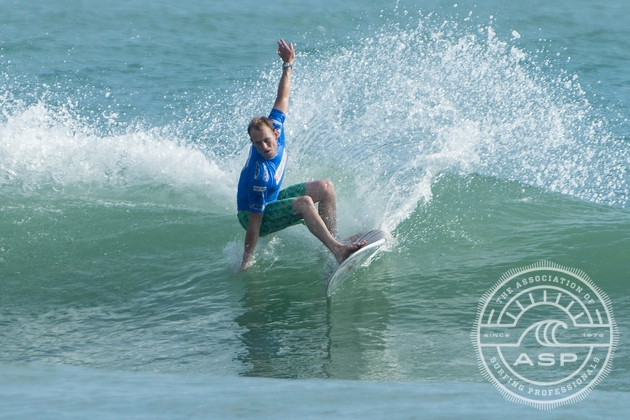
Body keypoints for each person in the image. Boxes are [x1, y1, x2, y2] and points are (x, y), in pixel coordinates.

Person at [236, 39, 365, 272]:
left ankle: (333, 239)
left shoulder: (276, 125)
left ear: (276, 133)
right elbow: (254, 223)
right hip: (255, 215)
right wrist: (247, 259)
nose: (264, 146)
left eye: (267, 140)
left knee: (325, 187)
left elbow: (282, 98)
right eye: (257, 144)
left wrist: (288, 65)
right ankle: (337, 250)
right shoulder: (259, 175)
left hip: (272, 200)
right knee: (305, 203)